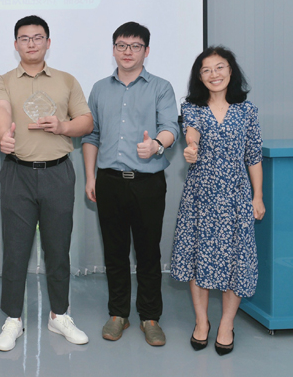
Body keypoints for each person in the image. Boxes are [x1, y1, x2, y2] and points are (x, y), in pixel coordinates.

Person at [0, 15, 93, 352]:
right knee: (15, 250)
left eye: (37, 37)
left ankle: (59, 315)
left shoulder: (66, 80)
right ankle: (13, 319)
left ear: (48, 42)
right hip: (17, 173)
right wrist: (4, 135)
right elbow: (1, 110)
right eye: (24, 38)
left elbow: (86, 121)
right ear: (15, 44)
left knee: (58, 249)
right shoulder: (2, 81)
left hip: (58, 173)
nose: (31, 43)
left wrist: (63, 127)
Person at [82, 22, 179, 346]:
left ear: (146, 51)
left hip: (147, 182)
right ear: (113, 49)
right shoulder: (99, 89)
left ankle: (150, 317)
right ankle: (118, 314)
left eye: (135, 46)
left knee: (148, 252)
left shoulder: (161, 87)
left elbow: (170, 127)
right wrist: (91, 176)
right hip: (109, 181)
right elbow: (92, 136)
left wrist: (157, 145)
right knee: (115, 252)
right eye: (121, 45)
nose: (128, 51)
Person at [171, 46, 264, 356]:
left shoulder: (247, 110)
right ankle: (201, 322)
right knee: (198, 258)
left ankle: (226, 324)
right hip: (201, 196)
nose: (214, 74)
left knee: (236, 261)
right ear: (199, 77)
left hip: (237, 196)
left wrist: (258, 196)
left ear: (230, 70)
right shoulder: (192, 107)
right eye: (206, 70)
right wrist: (191, 149)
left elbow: (253, 156)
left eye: (219, 67)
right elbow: (192, 135)